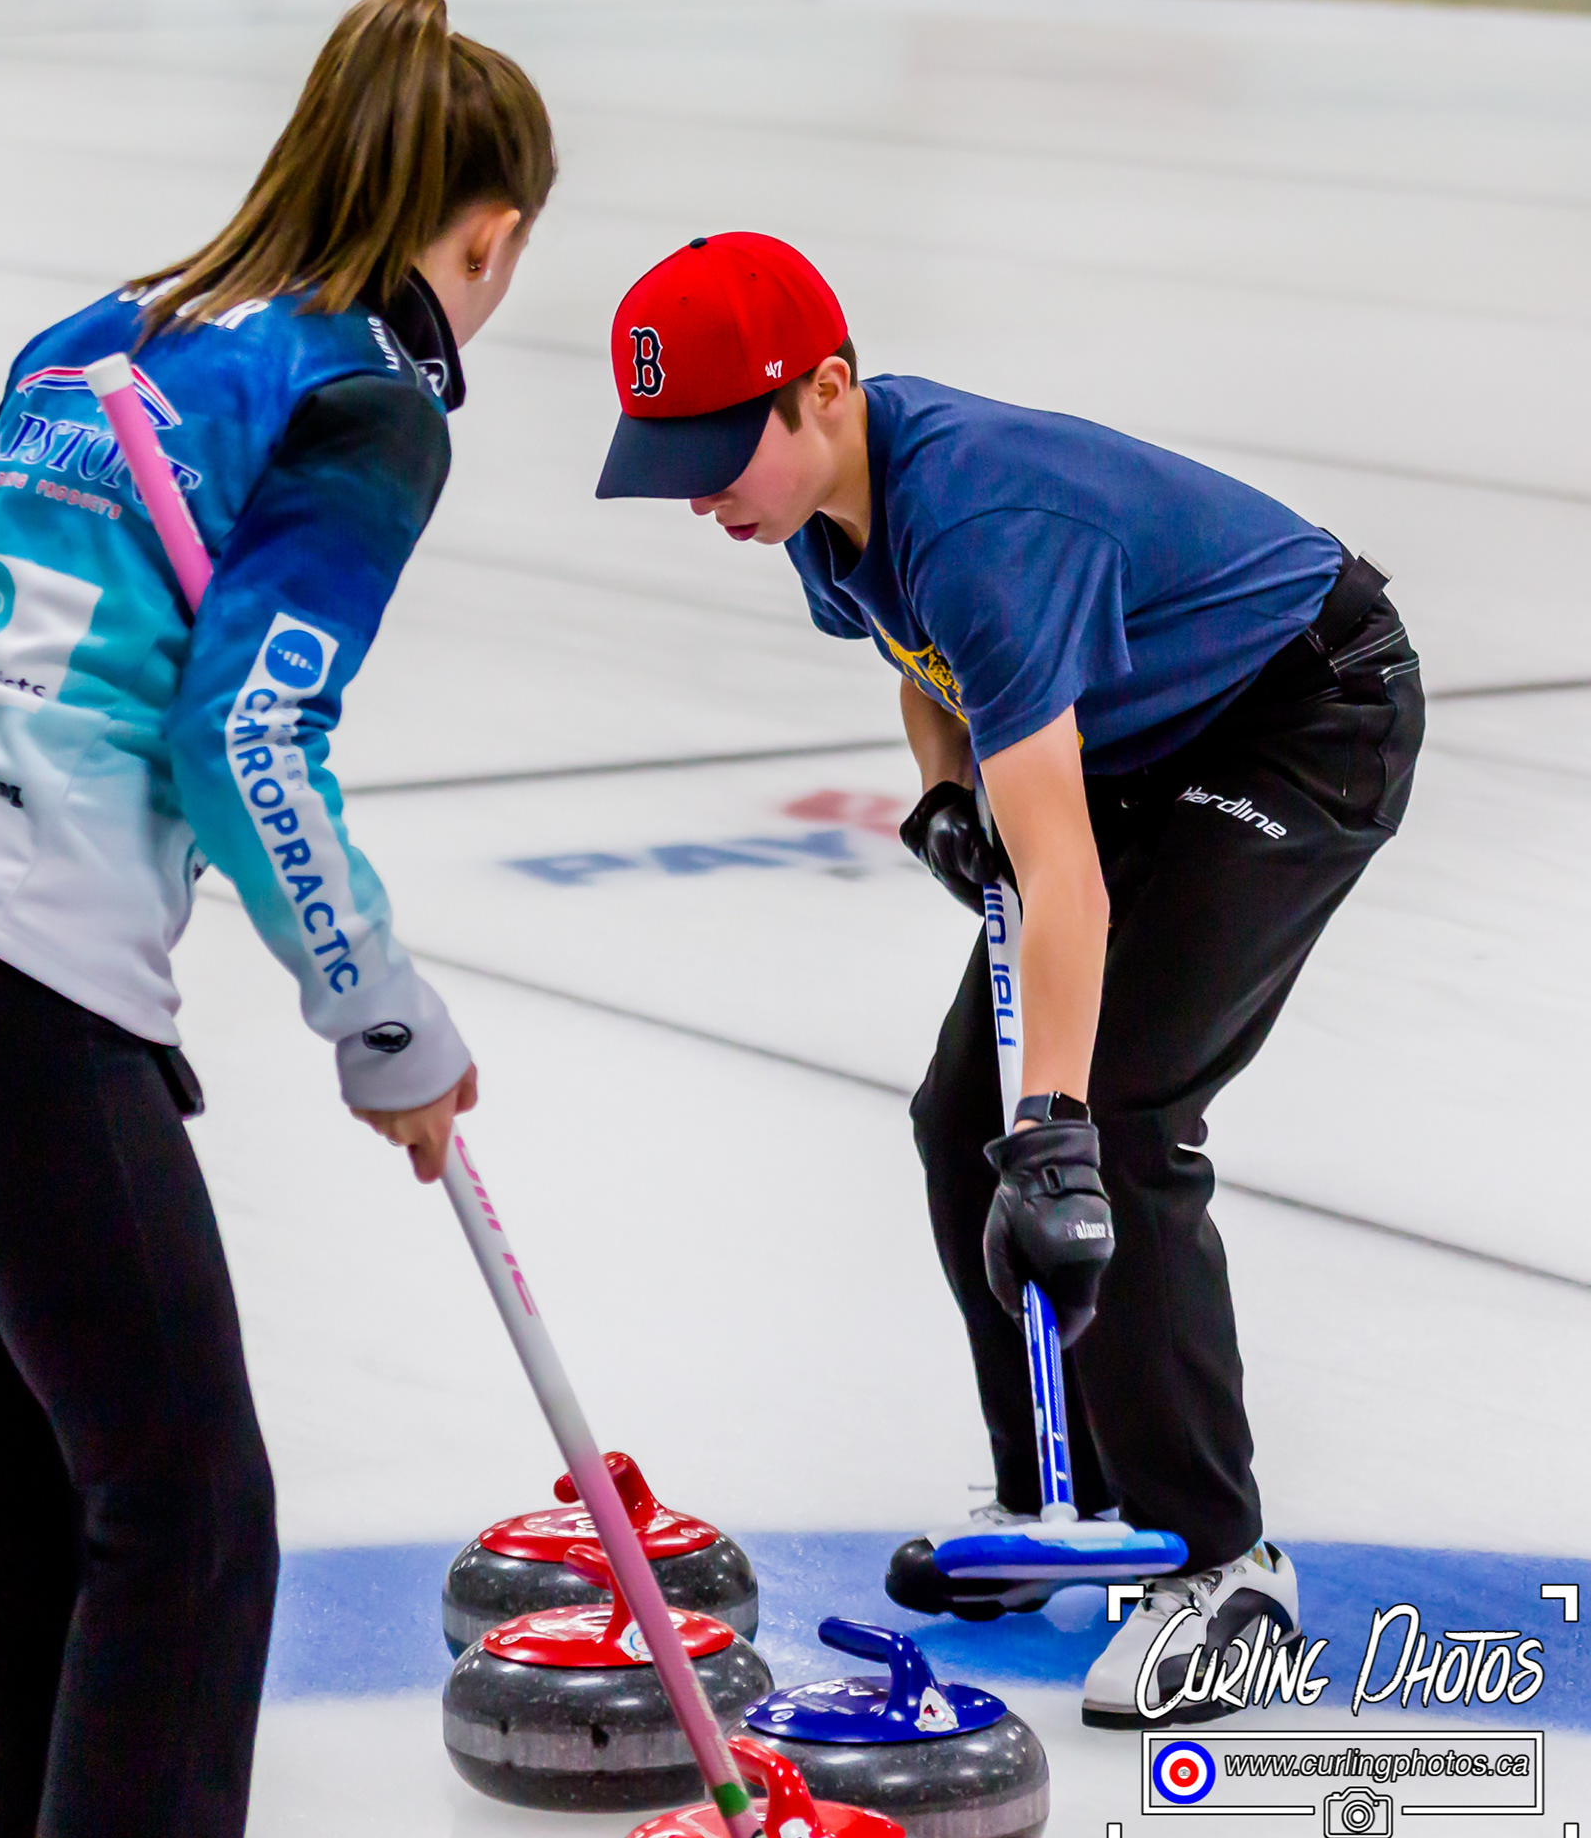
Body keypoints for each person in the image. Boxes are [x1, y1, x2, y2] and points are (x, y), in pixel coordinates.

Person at [0, 0, 554, 1838]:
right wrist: (379, 1013)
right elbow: (244, 731)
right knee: (185, 1512)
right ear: (492, 235)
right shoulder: (365, 397)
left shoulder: (100, 332)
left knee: (31, 1487)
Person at [594, 233, 1422, 1728]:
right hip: (1154, 729)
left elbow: (1065, 883)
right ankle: (1066, 1491)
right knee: (954, 1116)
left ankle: (1224, 1569)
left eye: (717, 454)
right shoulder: (826, 513)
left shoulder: (981, 525)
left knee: (1116, 1121)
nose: (700, 494)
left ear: (825, 390)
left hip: (1303, 715)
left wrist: (1054, 1129)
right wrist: (939, 789)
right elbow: (920, 656)